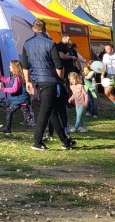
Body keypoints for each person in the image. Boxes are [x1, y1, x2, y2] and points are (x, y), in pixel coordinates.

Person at [21, 19, 76, 151]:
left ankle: (65, 140)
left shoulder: (27, 44)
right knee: (45, 111)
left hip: (37, 81)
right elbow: (59, 65)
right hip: (49, 80)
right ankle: (37, 141)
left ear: (33, 29)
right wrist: (60, 79)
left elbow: (25, 65)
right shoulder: (50, 43)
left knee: (51, 111)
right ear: (45, 29)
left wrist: (28, 81)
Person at [0, 61, 34, 134]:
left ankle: (40, 131)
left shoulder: (17, 78)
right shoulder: (14, 76)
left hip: (21, 100)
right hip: (20, 100)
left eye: (10, 66)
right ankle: (7, 129)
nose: (9, 67)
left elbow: (14, 89)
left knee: (28, 118)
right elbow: (7, 81)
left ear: (14, 68)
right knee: (11, 111)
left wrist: (3, 89)